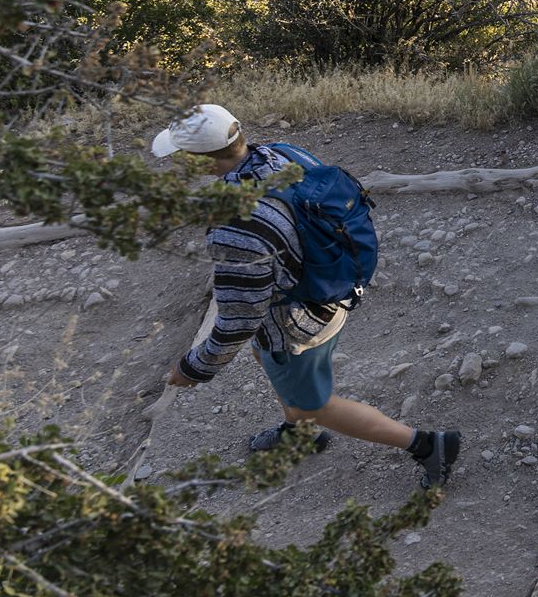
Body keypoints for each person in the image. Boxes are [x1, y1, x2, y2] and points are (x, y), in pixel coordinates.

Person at [151, 104, 459, 487]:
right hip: (329, 287)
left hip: (297, 323)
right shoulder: (282, 153)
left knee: (316, 405)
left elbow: (239, 319)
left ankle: (427, 446)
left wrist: (196, 366)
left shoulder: (239, 227)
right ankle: (299, 433)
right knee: (268, 357)